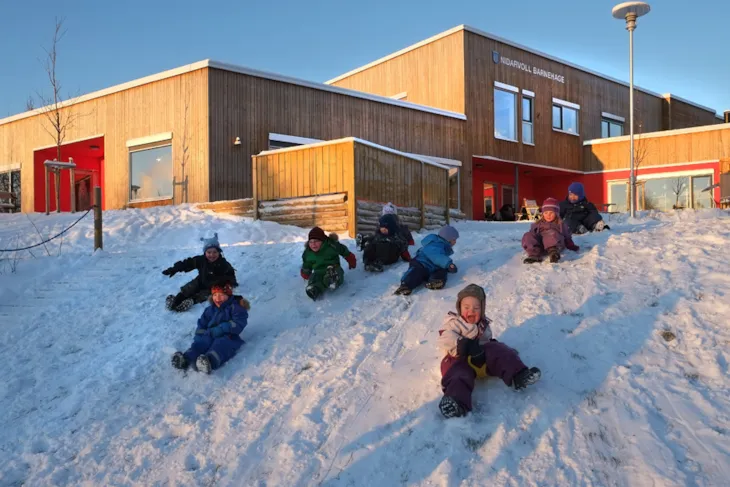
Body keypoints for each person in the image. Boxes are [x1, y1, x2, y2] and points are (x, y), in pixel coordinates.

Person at [437, 284, 541, 418]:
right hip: (458, 360)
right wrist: (460, 344)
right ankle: (456, 403)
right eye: (466, 307)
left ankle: (519, 375)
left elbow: (487, 344)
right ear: (459, 308)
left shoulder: (483, 325)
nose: (471, 311)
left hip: (480, 360)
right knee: (457, 374)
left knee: (499, 350)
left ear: (482, 309)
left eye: (476, 308)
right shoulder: (453, 323)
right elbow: (444, 337)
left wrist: (499, 351)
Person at [171, 281, 249, 374]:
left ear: (228, 295)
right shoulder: (210, 309)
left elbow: (239, 322)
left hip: (229, 336)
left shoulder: (235, 307)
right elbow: (202, 323)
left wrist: (222, 328)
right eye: (215, 295)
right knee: (200, 344)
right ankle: (185, 359)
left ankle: (209, 361)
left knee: (220, 345)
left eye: (221, 295)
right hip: (210, 334)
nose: (217, 298)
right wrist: (199, 335)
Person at [163, 233, 238, 312]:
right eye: (209, 252)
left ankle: (191, 301)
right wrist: (174, 269)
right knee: (189, 288)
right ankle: (176, 301)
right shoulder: (201, 260)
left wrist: (230, 284)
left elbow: (231, 275)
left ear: (219, 252)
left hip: (213, 286)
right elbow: (188, 263)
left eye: (215, 252)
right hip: (201, 280)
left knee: (206, 294)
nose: (212, 255)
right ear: (205, 252)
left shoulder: (223, 264)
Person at [394, 225, 459, 295]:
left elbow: (439, 258)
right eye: (454, 239)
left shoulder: (443, 245)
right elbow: (437, 256)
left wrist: (446, 267)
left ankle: (435, 281)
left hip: (433, 267)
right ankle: (405, 285)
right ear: (448, 239)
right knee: (415, 273)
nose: (455, 242)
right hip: (422, 264)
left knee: (442, 271)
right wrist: (448, 264)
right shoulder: (436, 244)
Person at [300, 226, 357, 300]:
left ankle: (333, 280)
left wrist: (350, 259)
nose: (313, 244)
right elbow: (306, 264)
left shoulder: (331, 245)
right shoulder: (308, 252)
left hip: (334, 268)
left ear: (322, 241)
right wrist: (305, 273)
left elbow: (343, 250)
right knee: (314, 277)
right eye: (311, 242)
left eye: (316, 241)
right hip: (318, 271)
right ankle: (314, 289)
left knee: (335, 273)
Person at [522, 198, 579, 264]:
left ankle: (553, 253)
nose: (548, 215)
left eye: (551, 213)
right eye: (546, 213)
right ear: (542, 213)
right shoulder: (538, 224)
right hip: (542, 245)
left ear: (556, 213)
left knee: (551, 233)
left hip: (556, 245)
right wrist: (530, 238)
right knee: (528, 235)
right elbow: (532, 235)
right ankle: (534, 254)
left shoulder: (560, 224)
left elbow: (567, 236)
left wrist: (571, 246)